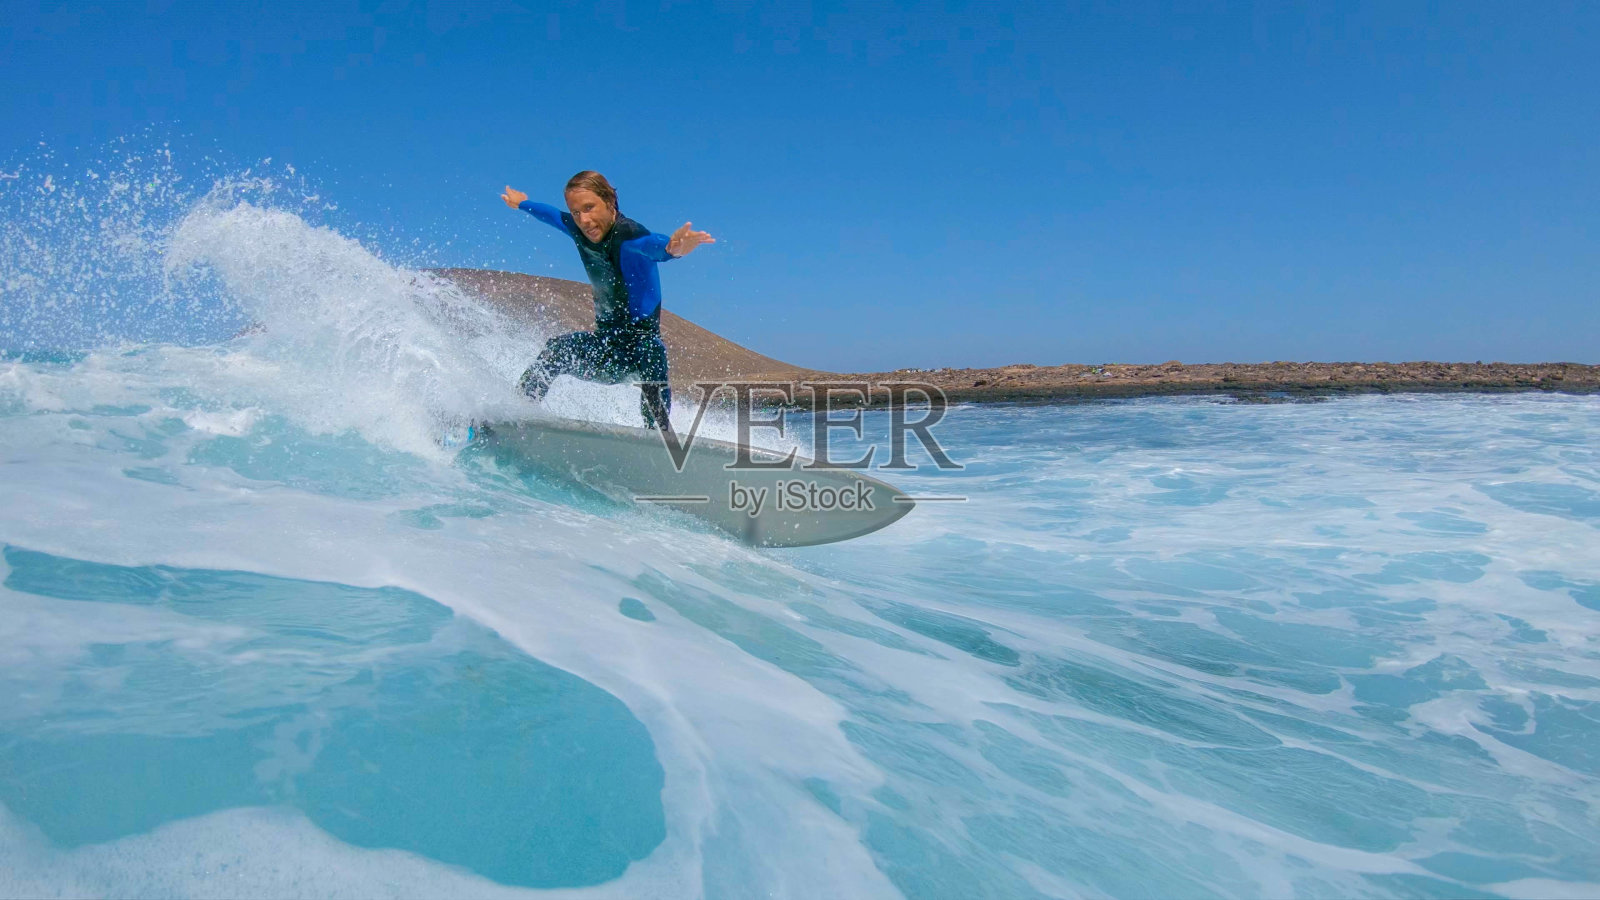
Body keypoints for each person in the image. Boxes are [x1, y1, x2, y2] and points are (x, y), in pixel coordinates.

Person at [501, 171, 713, 434]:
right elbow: (552, 215)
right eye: (576, 212)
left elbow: (654, 246)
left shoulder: (629, 235)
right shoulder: (577, 229)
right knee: (556, 349)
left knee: (653, 351)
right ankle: (515, 415)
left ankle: (658, 436)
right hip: (604, 350)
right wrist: (522, 203)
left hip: (638, 352)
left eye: (589, 208)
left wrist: (674, 248)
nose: (584, 220)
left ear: (610, 201)